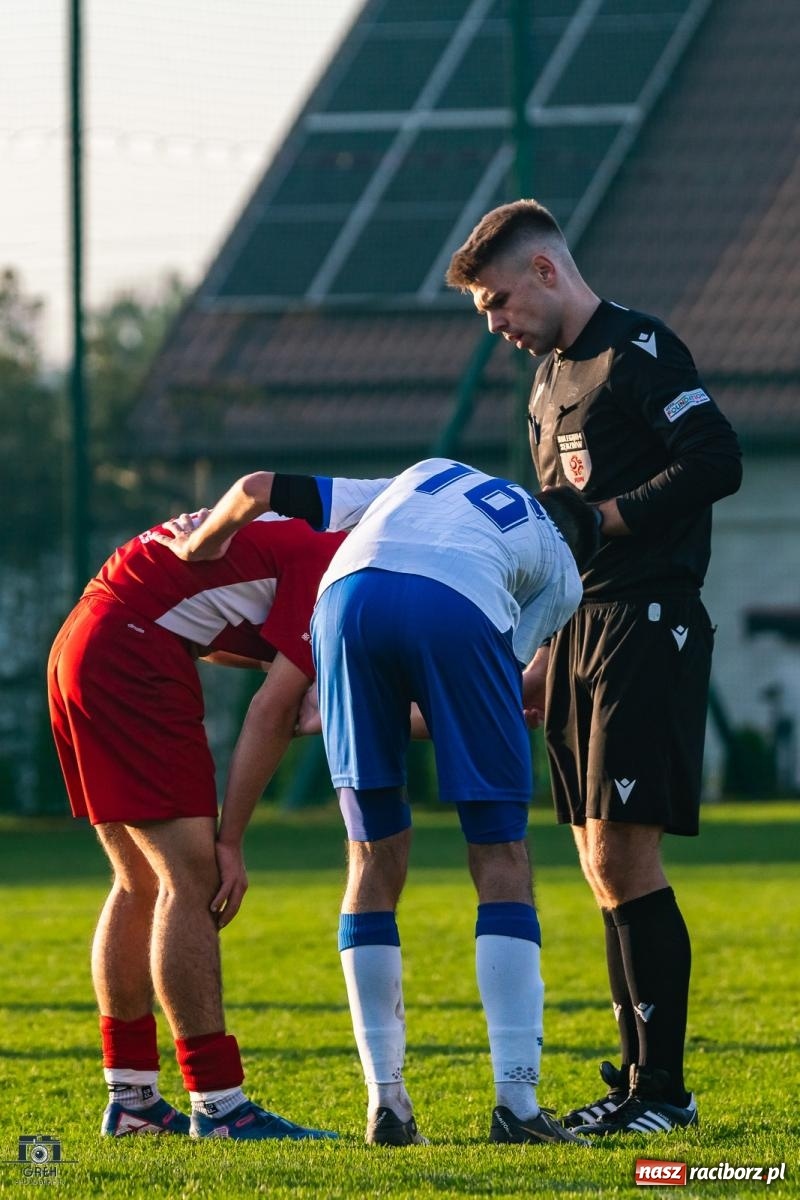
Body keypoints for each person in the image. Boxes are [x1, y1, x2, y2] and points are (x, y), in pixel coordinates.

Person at [156, 456, 599, 1147]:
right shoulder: (563, 568)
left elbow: (265, 488)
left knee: (371, 856)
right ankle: (517, 1105)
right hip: (457, 609)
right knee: (500, 853)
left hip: (344, 601)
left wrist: (201, 545)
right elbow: (510, 691)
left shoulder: (430, 473)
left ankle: (385, 1106)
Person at [445, 199, 743, 1136]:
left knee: (623, 853)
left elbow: (717, 459)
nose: (495, 324)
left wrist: (609, 518)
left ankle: (665, 1095)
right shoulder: (545, 385)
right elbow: (554, 540)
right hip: (578, 630)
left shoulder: (639, 350)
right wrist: (541, 650)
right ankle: (634, 1083)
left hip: (647, 621)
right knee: (595, 861)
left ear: (544, 270)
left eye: (497, 302)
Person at [47, 511, 345, 1140]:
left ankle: (132, 1099)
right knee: (194, 879)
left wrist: (294, 670)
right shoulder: (334, 560)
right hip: (131, 649)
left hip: (84, 635)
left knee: (138, 880)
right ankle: (220, 1105)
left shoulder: (297, 525)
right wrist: (230, 840)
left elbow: (213, 625)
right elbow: (271, 713)